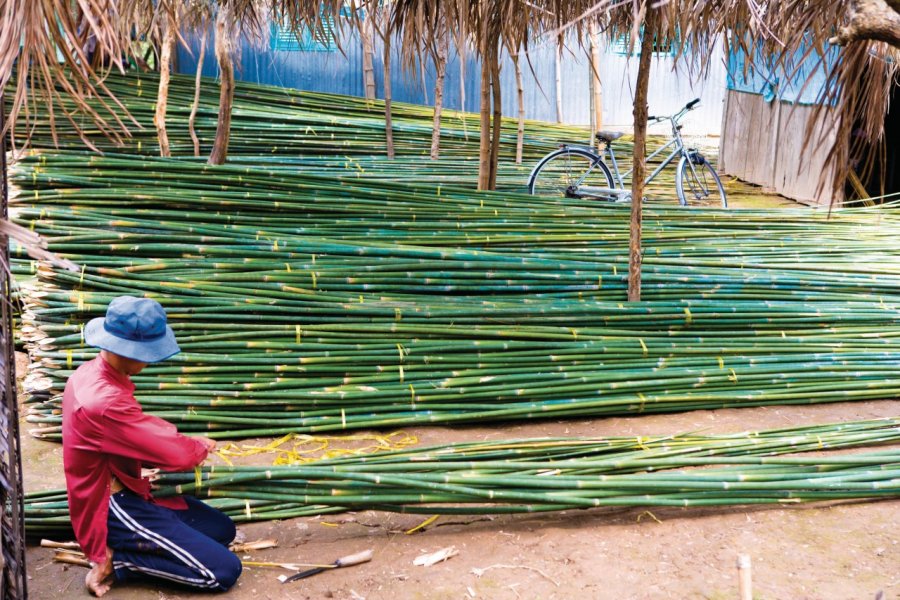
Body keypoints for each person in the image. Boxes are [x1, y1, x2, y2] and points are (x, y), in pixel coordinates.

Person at [62, 296, 242, 596]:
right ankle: (120, 561)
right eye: (148, 353)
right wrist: (195, 448)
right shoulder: (103, 402)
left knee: (223, 530)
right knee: (223, 572)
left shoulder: (91, 373)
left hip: (134, 486)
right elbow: (174, 453)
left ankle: (149, 536)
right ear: (128, 350)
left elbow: (135, 431)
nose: (149, 360)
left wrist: (188, 443)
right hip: (113, 504)